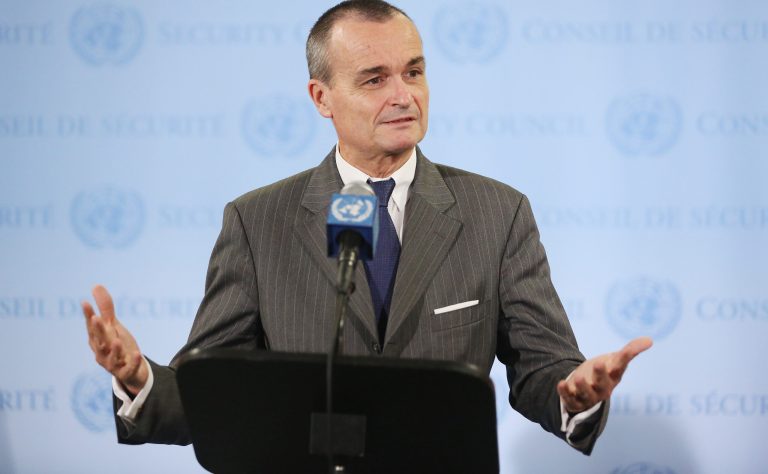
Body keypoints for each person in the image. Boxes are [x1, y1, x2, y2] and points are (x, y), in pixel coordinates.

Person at [82, 0, 652, 455]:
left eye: (414, 71)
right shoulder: (258, 223)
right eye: (375, 79)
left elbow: (541, 369)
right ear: (322, 98)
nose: (404, 96)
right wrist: (138, 378)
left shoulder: (496, 213)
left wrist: (575, 393)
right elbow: (213, 390)